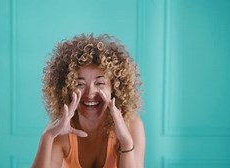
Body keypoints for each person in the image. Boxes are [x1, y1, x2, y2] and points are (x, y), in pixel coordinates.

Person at [32, 34, 145, 168]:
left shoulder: (131, 125)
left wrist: (126, 142)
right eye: (79, 84)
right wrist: (47, 137)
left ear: (115, 88)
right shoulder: (61, 128)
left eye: (100, 83)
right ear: (66, 89)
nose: (90, 93)